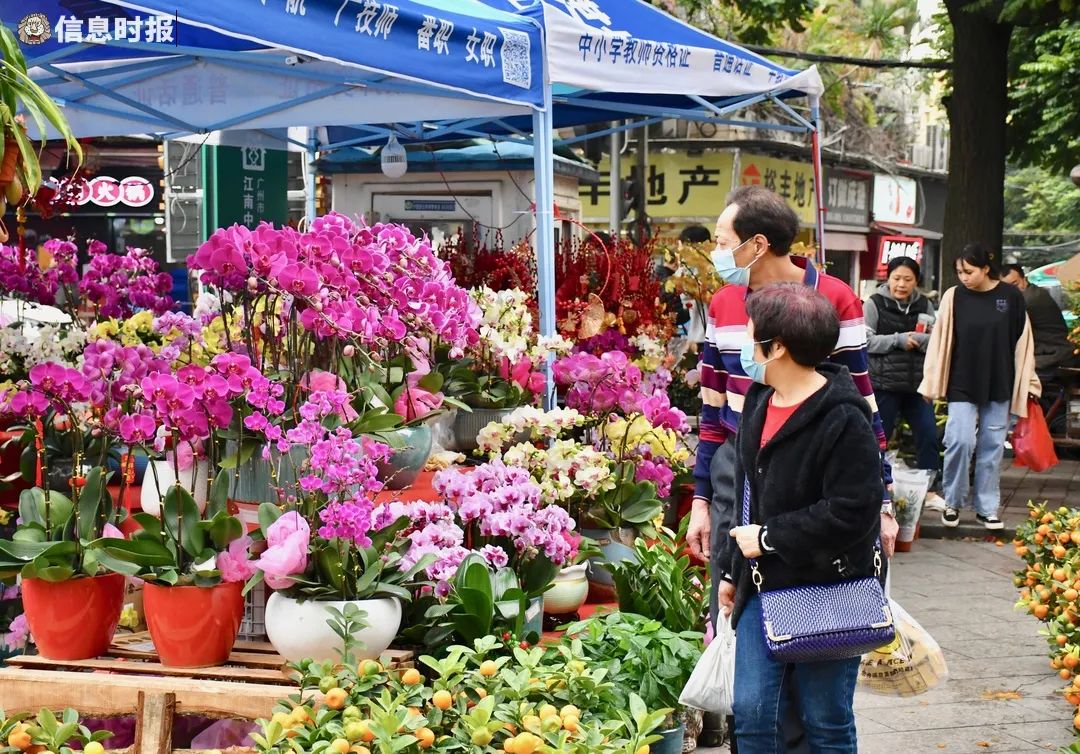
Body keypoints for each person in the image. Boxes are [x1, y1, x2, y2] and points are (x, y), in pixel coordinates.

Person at [687, 185, 895, 631]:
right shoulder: (723, 303)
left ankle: (817, 660)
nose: (717, 253)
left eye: (722, 243)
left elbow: (862, 401)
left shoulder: (835, 298)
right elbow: (711, 409)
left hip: (813, 471)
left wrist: (883, 499)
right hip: (737, 465)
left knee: (814, 604)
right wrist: (701, 500)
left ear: (757, 244)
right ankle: (745, 671)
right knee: (730, 602)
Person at [723, 282, 884, 754]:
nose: (745, 346)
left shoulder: (844, 416)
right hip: (760, 582)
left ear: (778, 347)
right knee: (751, 715)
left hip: (829, 588)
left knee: (825, 720)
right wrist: (733, 571)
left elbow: (853, 511)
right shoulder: (759, 400)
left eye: (751, 335)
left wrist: (769, 538)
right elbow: (749, 496)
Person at [919, 244, 1040, 529]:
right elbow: (939, 340)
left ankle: (987, 508)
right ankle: (953, 501)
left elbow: (1024, 342)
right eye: (959, 272)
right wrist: (930, 382)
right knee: (959, 441)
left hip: (1000, 380)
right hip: (962, 380)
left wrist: (1030, 382)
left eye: (969, 271)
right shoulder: (954, 296)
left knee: (992, 447)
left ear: (986, 269)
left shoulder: (1011, 296)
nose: (964, 277)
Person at [864, 256, 945, 509]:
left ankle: (930, 491)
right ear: (888, 278)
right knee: (879, 438)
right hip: (884, 385)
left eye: (907, 279)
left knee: (928, 435)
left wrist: (917, 340)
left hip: (917, 386)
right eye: (896, 278)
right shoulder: (874, 303)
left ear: (916, 281)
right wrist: (898, 340)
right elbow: (866, 341)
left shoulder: (925, 304)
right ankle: (873, 488)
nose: (901, 284)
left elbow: (936, 340)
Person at [1000, 263, 1076, 371]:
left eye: (1015, 284)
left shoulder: (1029, 299)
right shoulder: (1033, 291)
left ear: (1024, 279)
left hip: (1051, 355)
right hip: (1050, 352)